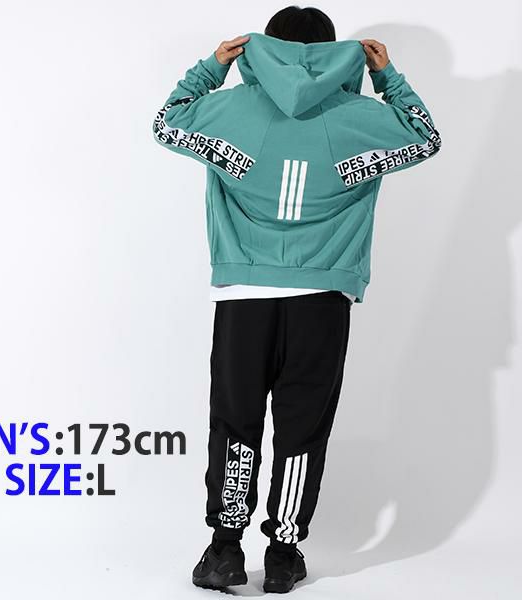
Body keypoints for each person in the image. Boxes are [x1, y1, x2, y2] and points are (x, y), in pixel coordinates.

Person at [152, 5, 441, 594]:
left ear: (262, 48)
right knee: (302, 426)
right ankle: (283, 554)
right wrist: (387, 77)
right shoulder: (362, 118)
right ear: (336, 53)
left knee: (236, 420)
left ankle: (225, 549)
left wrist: (211, 68)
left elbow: (167, 122)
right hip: (322, 299)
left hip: (245, 296)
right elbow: (425, 137)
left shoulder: (229, 111)